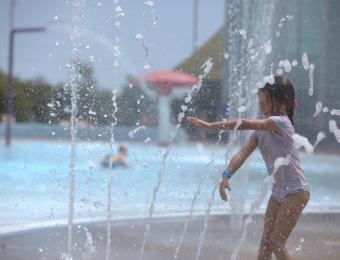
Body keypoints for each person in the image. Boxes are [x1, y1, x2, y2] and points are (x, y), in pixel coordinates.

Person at [186, 76, 309, 260]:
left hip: (296, 192)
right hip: (278, 193)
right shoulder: (261, 131)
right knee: (265, 246)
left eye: (266, 102)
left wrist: (210, 125)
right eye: (260, 102)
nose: (262, 107)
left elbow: (243, 123)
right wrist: (226, 174)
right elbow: (241, 154)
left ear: (282, 103)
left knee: (276, 243)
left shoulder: (281, 122)